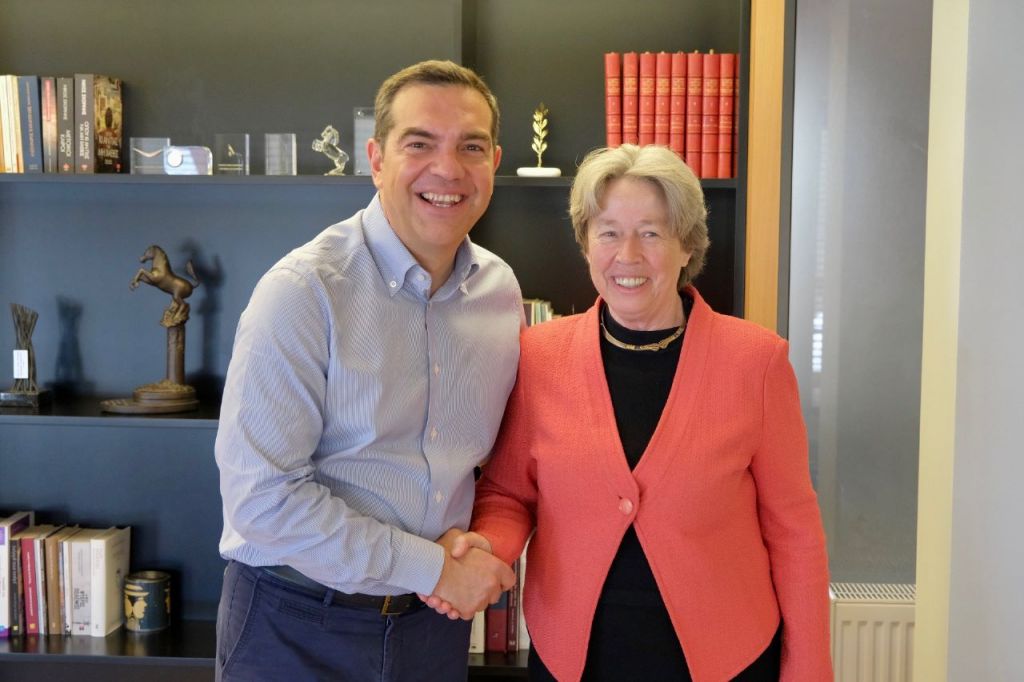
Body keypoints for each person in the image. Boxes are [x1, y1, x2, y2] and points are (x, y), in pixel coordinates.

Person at [432, 144, 832, 680]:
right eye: (609, 233)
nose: (628, 255)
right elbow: (508, 494)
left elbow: (795, 532)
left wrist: (809, 668)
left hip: (727, 658)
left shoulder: (756, 363)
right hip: (576, 656)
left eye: (651, 233)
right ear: (586, 243)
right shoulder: (537, 357)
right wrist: (489, 548)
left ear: (687, 245)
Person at [214, 60, 521, 682]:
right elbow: (263, 500)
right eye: (420, 144)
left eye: (471, 147)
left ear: (494, 161)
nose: (448, 169)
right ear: (376, 159)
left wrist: (467, 557)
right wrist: (433, 568)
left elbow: (491, 464)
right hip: (297, 624)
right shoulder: (304, 291)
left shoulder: (500, 292)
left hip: (431, 628)